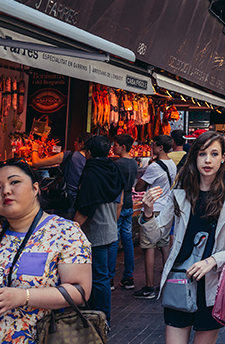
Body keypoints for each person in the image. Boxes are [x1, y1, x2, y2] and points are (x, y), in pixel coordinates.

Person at [140, 130, 225, 344]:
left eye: (214, 154)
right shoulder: (181, 189)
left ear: (224, 157)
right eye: (202, 153)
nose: (208, 160)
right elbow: (155, 235)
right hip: (180, 278)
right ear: (194, 156)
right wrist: (148, 212)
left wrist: (213, 260)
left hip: (212, 285)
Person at [0, 159, 92, 343]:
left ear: (36, 188)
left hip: (38, 337)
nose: (5, 191)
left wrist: (23, 296)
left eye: (14, 182)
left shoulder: (65, 232)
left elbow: (80, 291)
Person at [73, 135, 125, 324]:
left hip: (94, 231)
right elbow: (120, 201)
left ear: (88, 153)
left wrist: (72, 229)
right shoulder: (114, 169)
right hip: (110, 226)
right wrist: (113, 221)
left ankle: (103, 318)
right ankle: (98, 314)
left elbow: (86, 206)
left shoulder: (91, 172)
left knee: (99, 276)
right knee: (99, 275)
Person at [133, 135, 177, 300]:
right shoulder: (171, 164)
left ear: (160, 147)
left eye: (153, 145)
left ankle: (149, 286)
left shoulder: (154, 167)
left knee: (149, 247)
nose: (151, 147)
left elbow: (139, 186)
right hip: (166, 207)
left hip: (153, 208)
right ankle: (165, 283)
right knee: (164, 245)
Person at [29, 132, 91, 218]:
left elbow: (36, 162)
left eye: (76, 141)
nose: (74, 143)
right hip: (80, 207)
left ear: (82, 144)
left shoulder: (70, 155)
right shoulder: (92, 161)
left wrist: (35, 149)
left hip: (63, 204)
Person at [109, 134, 138, 291]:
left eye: (116, 144)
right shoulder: (133, 163)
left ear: (123, 147)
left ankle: (110, 278)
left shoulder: (117, 164)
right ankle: (128, 277)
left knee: (114, 240)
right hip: (129, 203)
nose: (114, 147)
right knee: (127, 241)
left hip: (118, 204)